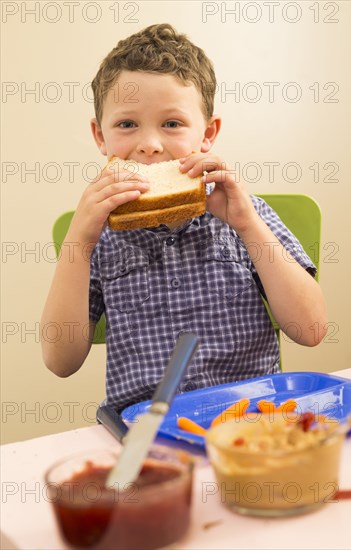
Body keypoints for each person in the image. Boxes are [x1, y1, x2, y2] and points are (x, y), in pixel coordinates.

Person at [41, 23, 327, 412]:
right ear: (100, 137)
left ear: (208, 134)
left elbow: (310, 330)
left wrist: (248, 226)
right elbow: (60, 362)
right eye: (127, 124)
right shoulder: (99, 237)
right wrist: (80, 243)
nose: (151, 145)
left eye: (172, 123)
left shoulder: (248, 214)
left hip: (250, 423)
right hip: (146, 436)